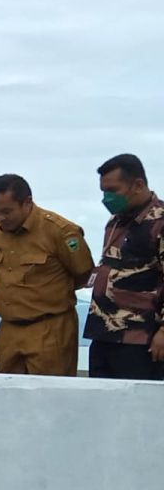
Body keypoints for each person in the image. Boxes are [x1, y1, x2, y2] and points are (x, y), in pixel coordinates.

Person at [0, 174, 94, 376]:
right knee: (7, 396)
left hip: (50, 327)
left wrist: (50, 296)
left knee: (52, 398)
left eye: (7, 211)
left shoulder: (61, 231)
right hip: (8, 328)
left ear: (27, 203)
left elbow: (84, 273)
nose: (0, 218)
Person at [84, 153, 164, 380]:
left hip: (140, 339)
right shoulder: (115, 221)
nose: (107, 198)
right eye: (103, 191)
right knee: (101, 407)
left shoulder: (160, 222)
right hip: (102, 334)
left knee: (137, 411)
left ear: (138, 185)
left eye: (113, 191)